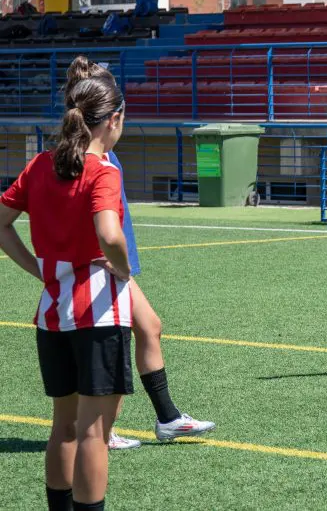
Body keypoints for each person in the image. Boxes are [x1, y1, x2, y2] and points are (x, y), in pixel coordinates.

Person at [60, 57, 215, 450]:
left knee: (148, 327)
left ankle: (162, 418)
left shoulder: (105, 156)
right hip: (103, 268)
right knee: (124, 340)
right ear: (108, 114)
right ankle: (110, 430)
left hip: (115, 267)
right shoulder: (89, 160)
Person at [0, 75, 130, 511]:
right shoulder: (103, 169)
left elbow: (1, 222)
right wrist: (123, 268)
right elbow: (110, 233)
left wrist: (38, 268)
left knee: (63, 427)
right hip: (97, 314)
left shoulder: (40, 164)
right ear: (113, 120)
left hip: (52, 314)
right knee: (94, 431)